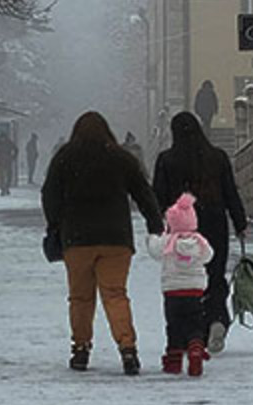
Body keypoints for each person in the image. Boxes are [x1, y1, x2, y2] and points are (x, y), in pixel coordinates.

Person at [42, 112, 164, 376]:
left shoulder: (65, 158)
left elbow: (49, 193)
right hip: (116, 238)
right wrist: (155, 223)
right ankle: (128, 349)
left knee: (80, 297)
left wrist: (54, 224)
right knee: (115, 294)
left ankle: (81, 349)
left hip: (77, 239)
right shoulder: (121, 158)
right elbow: (144, 192)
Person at [152, 112, 248, 356]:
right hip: (215, 223)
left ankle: (192, 331)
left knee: (186, 279)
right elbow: (230, 193)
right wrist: (240, 223)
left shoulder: (167, 160)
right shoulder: (217, 157)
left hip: (182, 229)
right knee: (214, 275)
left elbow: (158, 197)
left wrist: (158, 226)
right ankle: (216, 319)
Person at [146, 192, 213, 377]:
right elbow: (209, 256)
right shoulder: (199, 242)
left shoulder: (167, 242)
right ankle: (196, 347)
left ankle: (174, 361)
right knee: (195, 323)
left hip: (172, 293)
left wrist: (152, 237)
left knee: (174, 325)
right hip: (195, 292)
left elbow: (154, 250)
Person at [0, 132, 18, 197]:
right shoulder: (6, 142)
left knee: (7, 176)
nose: (2, 139)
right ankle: (4, 189)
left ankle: (6, 188)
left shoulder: (4, 142)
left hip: (5, 161)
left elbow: (16, 149)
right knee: (3, 176)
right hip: (4, 161)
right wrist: (13, 157)